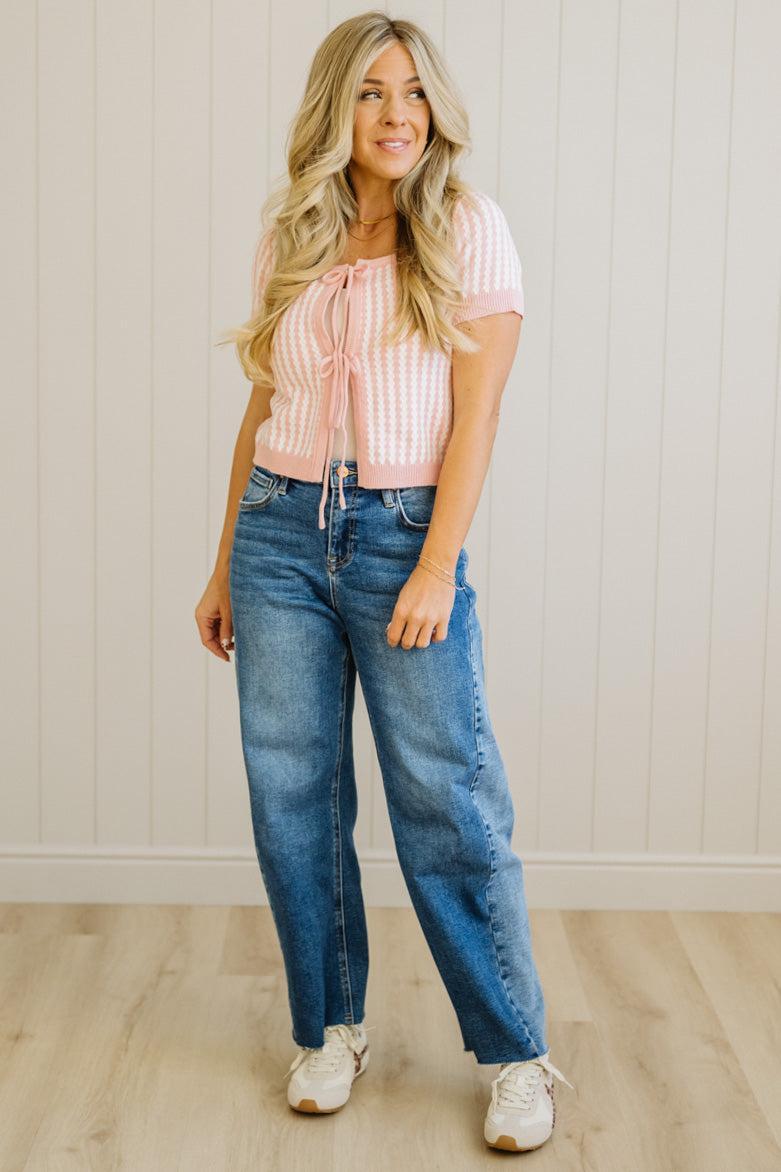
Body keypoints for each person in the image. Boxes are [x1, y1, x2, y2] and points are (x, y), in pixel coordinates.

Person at [196, 11, 574, 1155]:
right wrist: (223, 559)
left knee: (446, 804)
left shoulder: (469, 226)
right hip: (276, 536)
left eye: (411, 91)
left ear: (435, 109)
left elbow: (479, 414)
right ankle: (330, 1027)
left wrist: (436, 563)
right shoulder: (295, 231)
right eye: (369, 93)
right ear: (335, 110)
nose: (395, 113)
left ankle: (516, 1054)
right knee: (293, 801)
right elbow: (262, 410)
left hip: (405, 532)